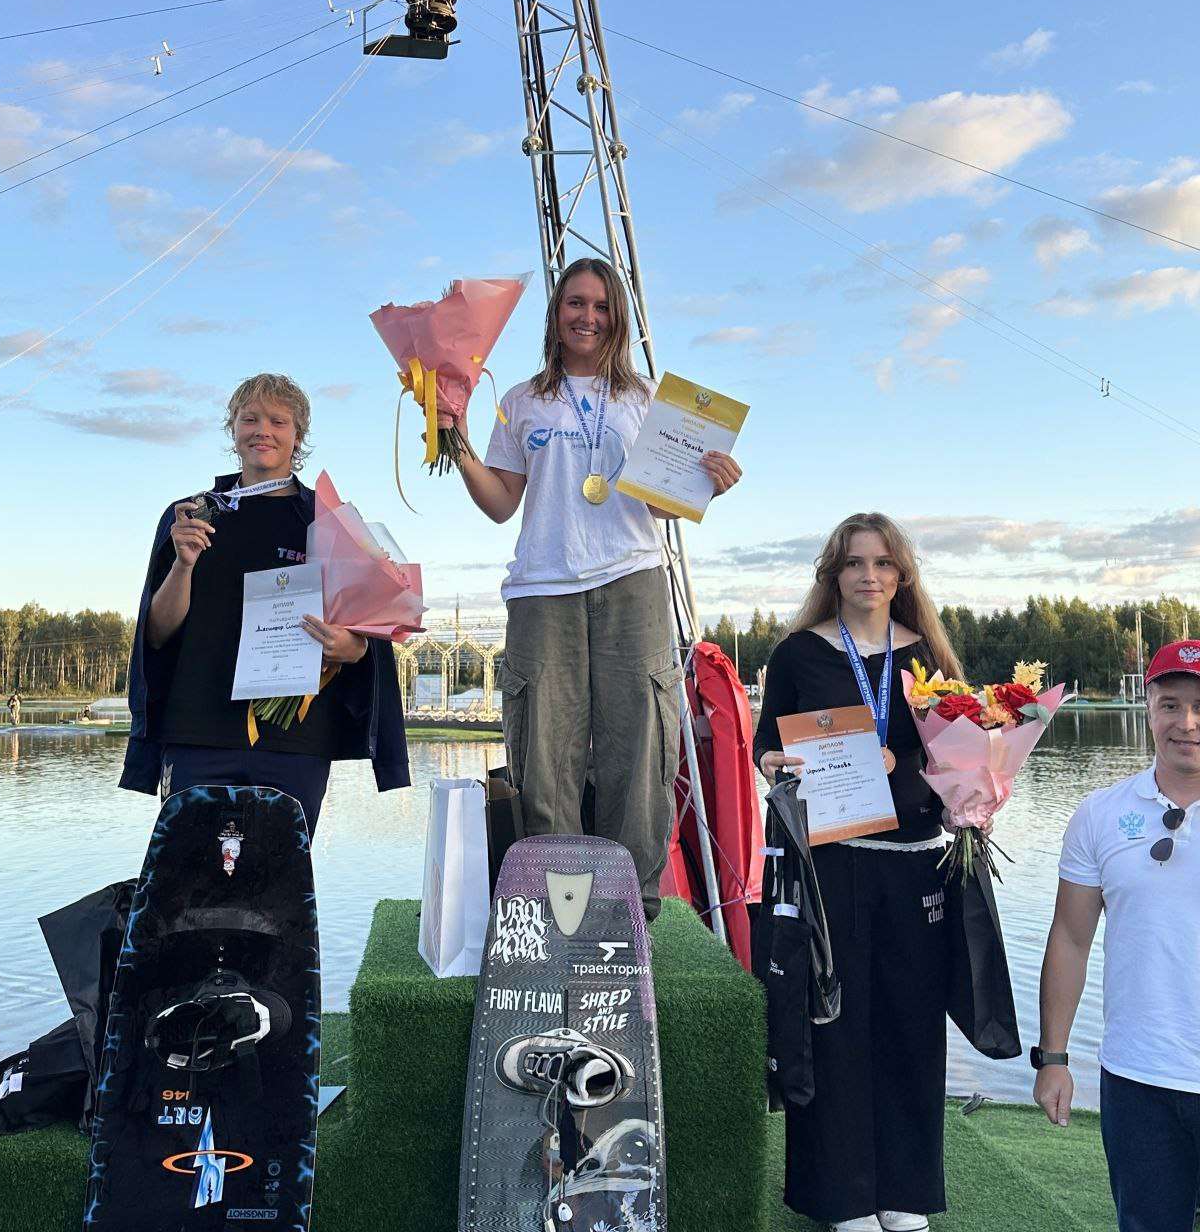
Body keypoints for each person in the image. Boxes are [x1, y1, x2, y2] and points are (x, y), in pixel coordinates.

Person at [448, 257, 741, 917]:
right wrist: (456, 441)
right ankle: (558, 906)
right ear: (556, 313)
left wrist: (708, 485)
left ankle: (631, 904)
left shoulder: (648, 400)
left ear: (619, 318)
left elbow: (660, 504)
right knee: (543, 747)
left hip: (632, 581)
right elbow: (500, 504)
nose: (588, 317)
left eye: (602, 306)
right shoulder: (521, 401)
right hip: (542, 588)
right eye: (576, 303)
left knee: (639, 742)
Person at [753, 512, 964, 1232]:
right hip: (833, 866)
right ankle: (841, 1197)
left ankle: (904, 1192)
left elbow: (958, 757)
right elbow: (766, 745)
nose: (868, 576)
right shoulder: (798, 654)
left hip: (915, 867)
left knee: (911, 1026)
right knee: (834, 1026)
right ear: (833, 574)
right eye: (853, 563)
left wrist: (946, 786)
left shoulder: (928, 658)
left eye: (881, 563)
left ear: (901, 575)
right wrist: (774, 764)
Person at [120, 373, 410, 834]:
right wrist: (183, 565)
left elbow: (366, 636)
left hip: (295, 741)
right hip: (197, 732)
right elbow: (155, 634)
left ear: (298, 436)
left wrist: (351, 647)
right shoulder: (192, 515)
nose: (263, 431)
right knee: (188, 873)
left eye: (278, 421)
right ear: (232, 428)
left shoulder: (327, 521)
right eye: (250, 419)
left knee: (282, 873)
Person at [1033, 639, 1200, 1232]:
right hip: (1139, 1077)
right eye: (1171, 704)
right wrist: (1053, 1057)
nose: (1187, 723)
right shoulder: (1100, 815)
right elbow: (1069, 939)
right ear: (1148, 708)